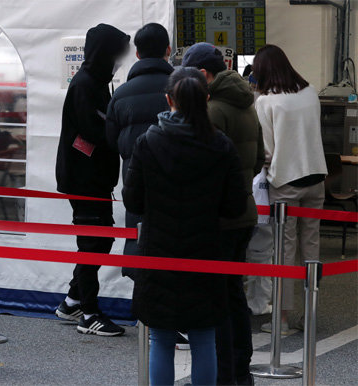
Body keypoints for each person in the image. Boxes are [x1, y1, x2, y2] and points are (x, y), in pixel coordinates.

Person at [123, 67, 247, 386]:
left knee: (161, 340)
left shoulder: (148, 142)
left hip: (159, 252)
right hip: (206, 252)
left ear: (168, 100)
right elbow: (235, 205)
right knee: (204, 340)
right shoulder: (221, 145)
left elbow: (133, 202)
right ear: (206, 100)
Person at [182, 42, 264, 385]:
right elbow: (259, 158)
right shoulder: (246, 103)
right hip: (243, 211)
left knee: (216, 301)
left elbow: (201, 168)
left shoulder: (213, 110)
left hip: (219, 217)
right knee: (233, 295)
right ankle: (239, 371)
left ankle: (224, 373)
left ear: (202, 75)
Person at [54, 23, 130, 336]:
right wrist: (123, 131)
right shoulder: (85, 84)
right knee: (93, 241)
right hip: (83, 178)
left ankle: (72, 301)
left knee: (101, 238)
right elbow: (93, 130)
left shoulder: (97, 82)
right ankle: (88, 312)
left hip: (95, 177)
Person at [253, 44, 327, 333]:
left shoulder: (266, 102)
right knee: (312, 248)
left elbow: (267, 150)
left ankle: (281, 319)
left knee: (284, 251)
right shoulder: (309, 92)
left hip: (285, 181)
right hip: (316, 176)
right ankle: (309, 316)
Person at [105, 22, 173, 268]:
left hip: (135, 182)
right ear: (168, 49)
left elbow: (111, 141)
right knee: (173, 253)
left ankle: (141, 302)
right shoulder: (181, 89)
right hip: (176, 183)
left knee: (140, 248)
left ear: (137, 53)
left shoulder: (121, 94)